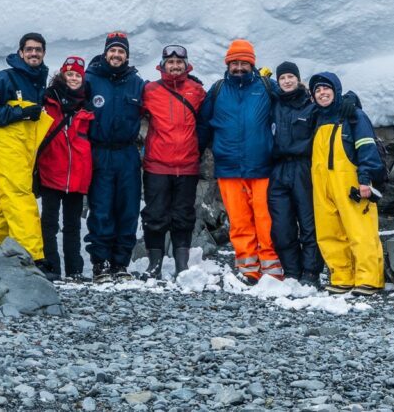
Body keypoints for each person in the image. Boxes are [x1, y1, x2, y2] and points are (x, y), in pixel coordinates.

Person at [197, 39, 283, 284]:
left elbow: (291, 105)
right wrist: (195, 152)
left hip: (262, 165)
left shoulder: (267, 86)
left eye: (243, 62)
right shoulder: (217, 90)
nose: (238, 67)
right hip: (229, 167)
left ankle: (272, 269)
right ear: (228, 64)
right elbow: (204, 125)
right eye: (234, 62)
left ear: (251, 63)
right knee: (239, 221)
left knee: (266, 220)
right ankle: (248, 269)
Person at [0, 33, 53, 267]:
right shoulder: (4, 78)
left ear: (43, 53)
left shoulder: (39, 81)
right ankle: (33, 256)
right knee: (20, 198)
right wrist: (20, 113)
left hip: (25, 150)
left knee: (2, 203)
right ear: (20, 53)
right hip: (8, 148)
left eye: (38, 50)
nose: (33, 53)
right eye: (29, 49)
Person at [307, 72, 386, 296]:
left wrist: (365, 179)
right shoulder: (317, 116)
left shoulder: (354, 116)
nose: (322, 93)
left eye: (326, 88)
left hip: (350, 183)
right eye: (318, 90)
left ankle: (369, 279)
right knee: (329, 232)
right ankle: (341, 277)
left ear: (336, 90)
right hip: (323, 184)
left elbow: (367, 148)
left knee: (360, 231)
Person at [139, 44, 207, 278]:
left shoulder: (196, 90)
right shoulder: (150, 90)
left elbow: (207, 121)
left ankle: (182, 266)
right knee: (155, 215)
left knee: (183, 216)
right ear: (163, 65)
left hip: (187, 166)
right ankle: (154, 265)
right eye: (171, 62)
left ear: (186, 64)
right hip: (157, 165)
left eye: (180, 62)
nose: (175, 66)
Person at [84, 31, 147, 282]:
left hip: (127, 152)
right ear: (106, 52)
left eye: (121, 51)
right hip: (99, 151)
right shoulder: (90, 79)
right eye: (113, 50)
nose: (117, 55)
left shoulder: (137, 83)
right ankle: (101, 262)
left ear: (127, 56)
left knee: (128, 209)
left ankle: (121, 263)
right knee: (101, 209)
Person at [36, 56, 94, 282]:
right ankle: (52, 266)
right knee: (49, 223)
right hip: (52, 170)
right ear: (62, 75)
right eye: (69, 74)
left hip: (77, 175)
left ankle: (74, 269)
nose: (73, 78)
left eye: (77, 75)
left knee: (73, 225)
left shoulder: (87, 106)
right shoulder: (49, 100)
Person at [268, 61, 323, 287]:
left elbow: (333, 108)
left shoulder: (312, 105)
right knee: (282, 225)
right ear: (278, 82)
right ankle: (291, 270)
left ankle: (310, 272)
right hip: (279, 168)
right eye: (282, 78)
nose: (287, 81)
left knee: (309, 223)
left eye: (291, 76)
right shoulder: (274, 104)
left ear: (298, 79)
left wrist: (350, 100)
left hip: (304, 168)